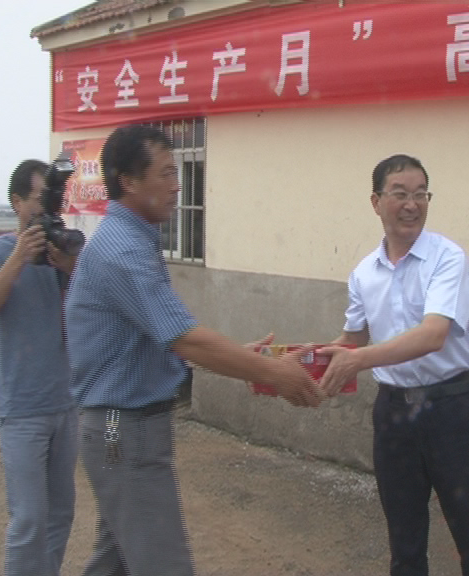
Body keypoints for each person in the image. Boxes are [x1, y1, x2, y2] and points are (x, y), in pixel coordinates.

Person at [64, 124, 324, 575]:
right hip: (120, 429)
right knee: (161, 564)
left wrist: (244, 359)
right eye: (166, 173)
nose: (177, 185)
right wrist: (272, 372)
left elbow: (151, 342)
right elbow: (184, 338)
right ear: (128, 181)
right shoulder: (123, 251)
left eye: (177, 172)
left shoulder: (129, 239)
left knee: (116, 560)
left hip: (115, 428)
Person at [319, 154, 469, 576]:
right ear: (376, 202)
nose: (412, 205)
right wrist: (304, 360)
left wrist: (356, 361)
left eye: (421, 195)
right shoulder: (364, 272)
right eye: (400, 194)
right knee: (404, 541)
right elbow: (354, 338)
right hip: (395, 415)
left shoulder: (447, 258)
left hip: (452, 410)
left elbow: (433, 334)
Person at [0, 160, 79, 576]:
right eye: (38, 199)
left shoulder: (61, 252)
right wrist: (20, 257)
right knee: (29, 519)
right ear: (17, 202)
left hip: (66, 405)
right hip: (21, 410)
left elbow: (97, 309)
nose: (46, 208)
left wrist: (70, 267)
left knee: (61, 514)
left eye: (51, 199)